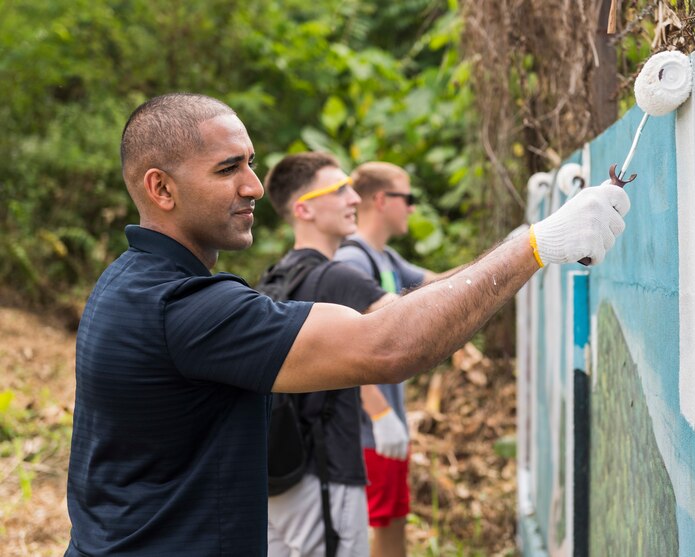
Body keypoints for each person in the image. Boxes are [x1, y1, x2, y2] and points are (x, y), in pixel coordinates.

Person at [65, 92, 630, 557]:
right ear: (160, 188)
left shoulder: (127, 283)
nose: (255, 187)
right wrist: (536, 245)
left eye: (251, 163)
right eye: (228, 169)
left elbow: (405, 308)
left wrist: (526, 246)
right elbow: (388, 345)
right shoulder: (183, 306)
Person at [260, 151, 406, 556]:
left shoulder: (274, 277)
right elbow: (413, 327)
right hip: (326, 475)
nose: (355, 198)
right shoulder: (338, 277)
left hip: (274, 474)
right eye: (339, 189)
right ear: (304, 209)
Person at [334, 161, 440, 557]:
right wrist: (379, 416)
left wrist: (517, 251)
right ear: (381, 200)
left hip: (385, 426)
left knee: (393, 520)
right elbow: (343, 349)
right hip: (367, 430)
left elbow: (441, 286)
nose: (412, 207)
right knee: (376, 528)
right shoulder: (352, 263)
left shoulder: (385, 258)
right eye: (407, 198)